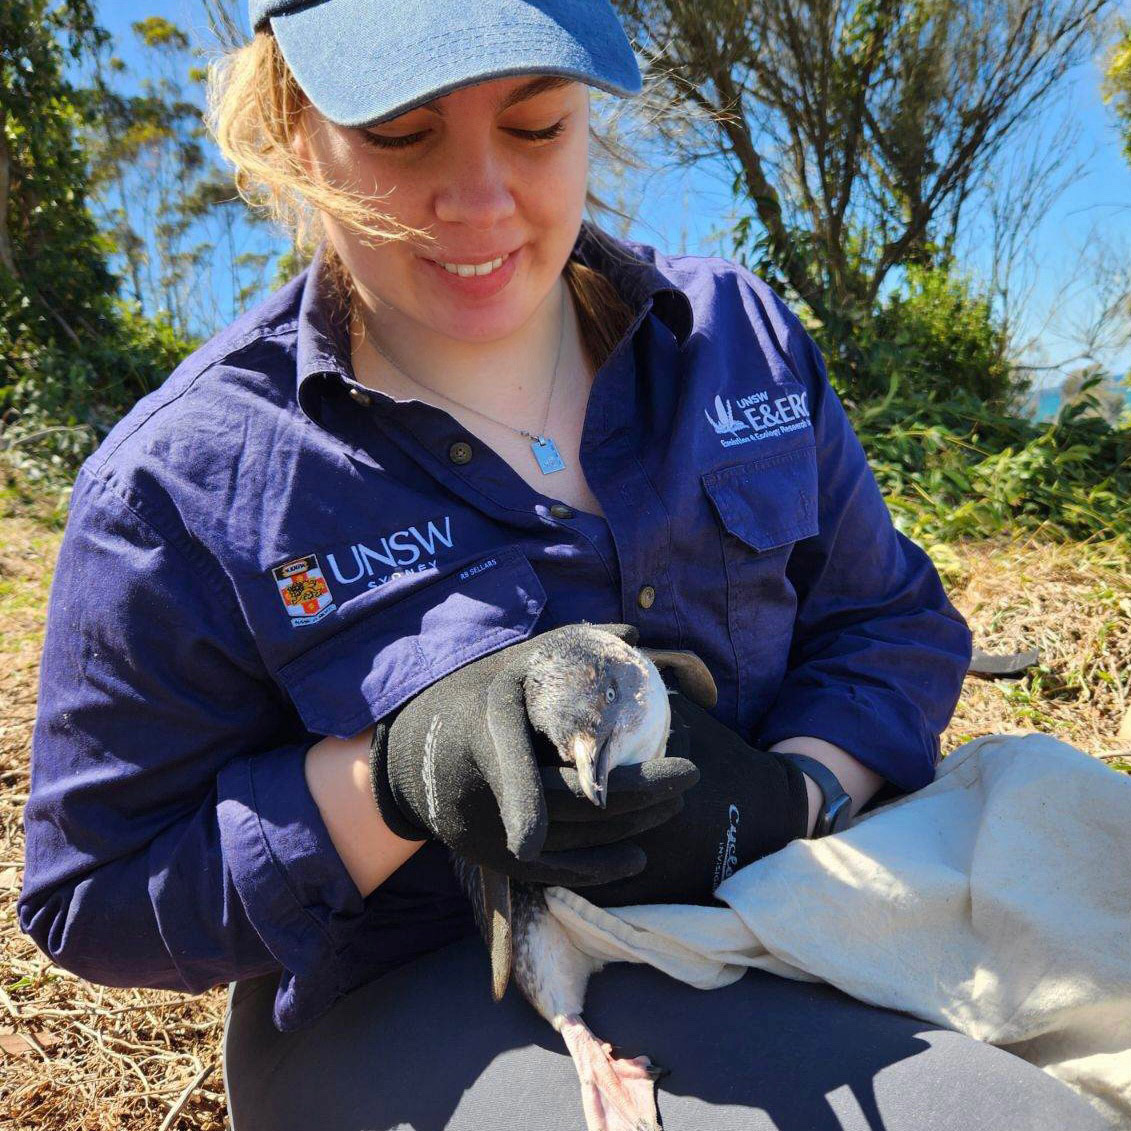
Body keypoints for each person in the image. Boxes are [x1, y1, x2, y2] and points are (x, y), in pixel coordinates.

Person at [17, 1, 1108, 1128]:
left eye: (536, 126)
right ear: (295, 124)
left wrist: (794, 793)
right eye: (401, 134)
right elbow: (95, 895)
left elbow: (890, 623)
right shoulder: (182, 482)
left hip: (790, 898)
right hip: (440, 990)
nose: (480, 199)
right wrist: (392, 781)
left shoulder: (733, 340)